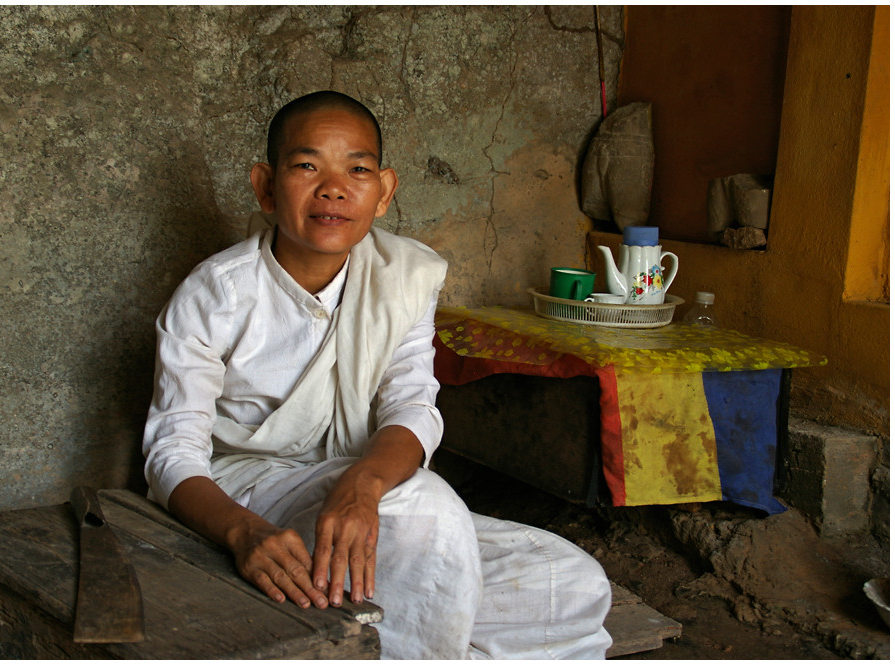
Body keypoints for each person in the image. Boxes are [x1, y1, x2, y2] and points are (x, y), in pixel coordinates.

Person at [142, 90, 613, 659]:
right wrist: (244, 534)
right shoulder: (215, 295)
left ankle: (406, 636)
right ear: (266, 186)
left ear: (384, 191)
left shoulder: (403, 277)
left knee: (570, 582)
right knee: (430, 512)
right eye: (307, 166)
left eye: (357, 169)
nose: (334, 187)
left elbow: (412, 407)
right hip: (249, 491)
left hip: (366, 489)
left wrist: (363, 485)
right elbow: (172, 453)